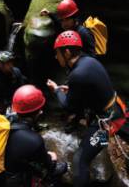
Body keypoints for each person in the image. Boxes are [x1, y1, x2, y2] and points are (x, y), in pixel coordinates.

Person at [47, 30, 125, 187]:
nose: (56, 57)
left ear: (67, 52)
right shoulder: (88, 61)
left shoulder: (78, 74)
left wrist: (55, 90)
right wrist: (73, 90)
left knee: (79, 160)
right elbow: (89, 88)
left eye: (58, 53)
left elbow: (69, 107)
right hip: (116, 110)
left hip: (106, 125)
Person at [4, 84, 68, 187]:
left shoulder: (6, 120)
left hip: (2, 169)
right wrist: (52, 158)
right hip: (14, 179)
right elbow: (49, 166)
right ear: (36, 113)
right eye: (39, 109)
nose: (41, 111)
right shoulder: (34, 140)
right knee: (62, 167)